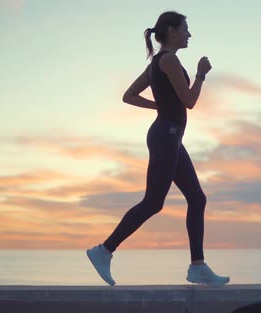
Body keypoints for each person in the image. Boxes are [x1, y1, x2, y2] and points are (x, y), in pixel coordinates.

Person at [86, 11, 230, 287]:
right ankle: (103, 250)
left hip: (169, 136)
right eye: (186, 29)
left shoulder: (156, 63)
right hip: (166, 135)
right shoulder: (170, 60)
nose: (189, 34)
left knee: (197, 199)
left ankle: (197, 266)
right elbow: (189, 101)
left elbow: (128, 96)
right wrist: (200, 74)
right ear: (172, 30)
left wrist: (159, 106)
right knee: (153, 202)